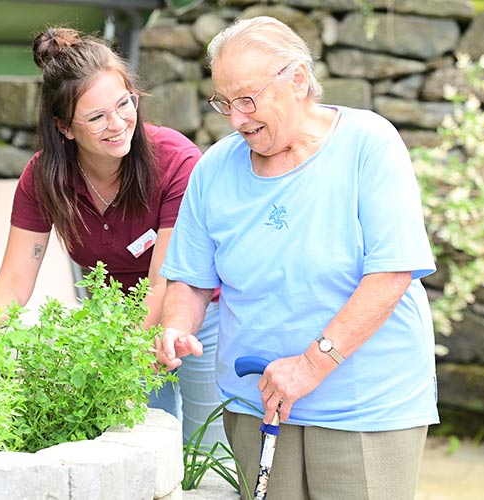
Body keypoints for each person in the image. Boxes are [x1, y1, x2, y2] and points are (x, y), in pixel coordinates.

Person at [155, 16, 439, 500]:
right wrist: (177, 326)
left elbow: (391, 272)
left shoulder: (369, 143)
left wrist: (309, 366)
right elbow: (191, 278)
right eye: (224, 102)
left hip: (364, 406)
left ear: (298, 79)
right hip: (256, 401)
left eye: (247, 99)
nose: (236, 118)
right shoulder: (213, 169)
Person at [0, 26, 224, 446]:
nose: (118, 124)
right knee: (138, 452)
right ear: (65, 128)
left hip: (196, 315)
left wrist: (115, 361)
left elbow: (162, 282)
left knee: (210, 450)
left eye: (124, 104)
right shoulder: (44, 180)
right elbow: (12, 284)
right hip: (117, 327)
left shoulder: (175, 161)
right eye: (96, 117)